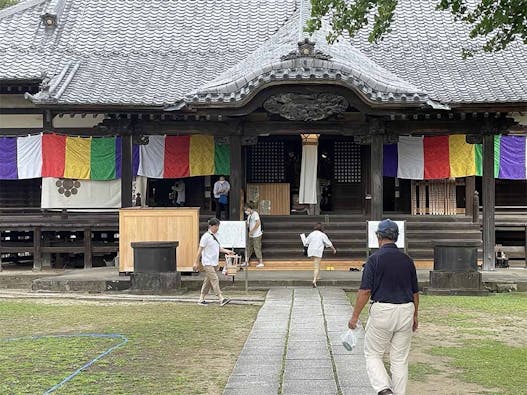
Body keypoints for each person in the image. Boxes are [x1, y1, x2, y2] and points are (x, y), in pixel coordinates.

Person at [348, 219, 419, 395]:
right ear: (396, 237)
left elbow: (365, 291)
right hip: (406, 309)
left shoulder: (374, 260)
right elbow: (415, 292)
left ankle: (383, 388)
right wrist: (416, 315)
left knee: (373, 353)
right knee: (399, 359)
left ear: (378, 236)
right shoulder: (407, 260)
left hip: (383, 310)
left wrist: (355, 316)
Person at [193, 217, 234, 306]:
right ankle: (220, 298)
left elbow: (218, 248)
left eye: (218, 226)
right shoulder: (206, 237)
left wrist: (227, 251)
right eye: (216, 226)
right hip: (207, 262)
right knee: (215, 279)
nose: (217, 228)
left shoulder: (216, 236)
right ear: (211, 226)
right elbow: (200, 250)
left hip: (214, 262)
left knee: (208, 281)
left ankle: (201, 298)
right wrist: (196, 262)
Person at [304, 222, 336, 288]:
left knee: (315, 265)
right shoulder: (322, 234)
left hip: (311, 251)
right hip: (317, 251)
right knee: (317, 266)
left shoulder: (311, 234)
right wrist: (333, 249)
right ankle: (314, 280)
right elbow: (329, 243)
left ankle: (317, 276)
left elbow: (306, 242)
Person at [244, 203, 264, 268]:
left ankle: (261, 262)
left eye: (246, 209)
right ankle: (246, 261)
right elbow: (247, 225)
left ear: (249, 208)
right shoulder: (249, 216)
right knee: (249, 247)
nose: (245, 211)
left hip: (257, 234)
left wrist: (252, 231)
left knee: (257, 247)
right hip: (251, 235)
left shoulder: (255, 214)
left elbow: (258, 223)